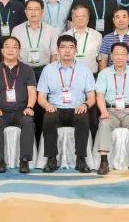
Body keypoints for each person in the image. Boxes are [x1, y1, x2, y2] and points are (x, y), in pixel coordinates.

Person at [37, 35, 96, 173]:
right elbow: (41, 97)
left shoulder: (85, 70)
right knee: (49, 117)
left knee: (83, 117)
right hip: (56, 109)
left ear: (76, 50)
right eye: (63, 47)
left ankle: (81, 159)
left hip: (77, 109)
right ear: (57, 50)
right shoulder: (48, 69)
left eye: (71, 47)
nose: (67, 51)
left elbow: (92, 98)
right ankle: (51, 159)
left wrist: (85, 105)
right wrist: (47, 105)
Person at [0, 36, 37, 174]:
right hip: (1, 111)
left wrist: (30, 107)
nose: (10, 49)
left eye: (14, 47)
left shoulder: (27, 69)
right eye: (7, 46)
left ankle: (24, 160)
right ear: (2, 51)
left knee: (28, 121)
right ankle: (0, 161)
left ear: (19, 51)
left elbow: (32, 91)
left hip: (21, 111)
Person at [94, 42, 129, 175]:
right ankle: (104, 162)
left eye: (123, 54)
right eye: (116, 54)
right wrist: (103, 112)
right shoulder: (104, 74)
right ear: (111, 56)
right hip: (111, 111)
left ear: (128, 56)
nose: (119, 57)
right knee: (104, 123)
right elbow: (99, 95)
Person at [11, 0, 59, 76]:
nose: (33, 12)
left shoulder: (51, 30)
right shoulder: (16, 30)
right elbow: (13, 52)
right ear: (25, 11)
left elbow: (54, 54)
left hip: (44, 70)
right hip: (23, 70)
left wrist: (51, 71)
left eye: (36, 9)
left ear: (42, 11)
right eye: (30, 9)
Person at [98, 6, 129, 71]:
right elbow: (103, 61)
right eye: (117, 17)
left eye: (124, 17)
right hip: (111, 76)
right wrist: (104, 76)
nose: (121, 20)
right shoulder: (107, 38)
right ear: (113, 20)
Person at [63, 5, 103, 74]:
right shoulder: (65, 36)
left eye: (83, 16)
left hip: (92, 76)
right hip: (70, 76)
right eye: (77, 16)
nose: (80, 18)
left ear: (88, 18)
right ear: (72, 18)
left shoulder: (97, 35)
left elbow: (100, 59)